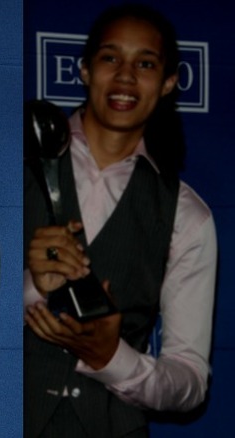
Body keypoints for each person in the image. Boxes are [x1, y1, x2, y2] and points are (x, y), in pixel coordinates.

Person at [23, 4, 217, 437]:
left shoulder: (187, 214)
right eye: (111, 58)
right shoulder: (19, 167)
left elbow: (189, 382)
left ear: (168, 82)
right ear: (86, 70)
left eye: (145, 63)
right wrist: (33, 285)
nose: (126, 76)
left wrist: (111, 356)